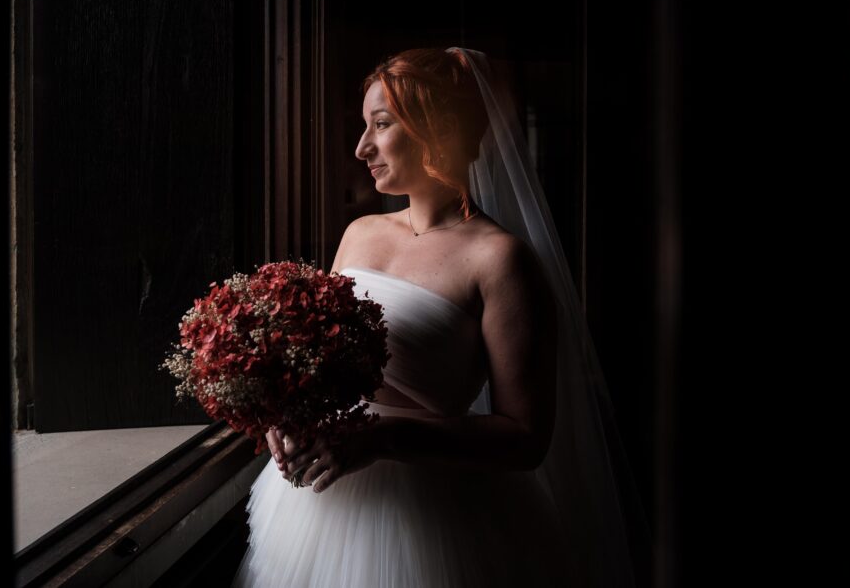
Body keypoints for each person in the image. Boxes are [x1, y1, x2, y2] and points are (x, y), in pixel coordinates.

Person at [230, 47, 649, 587]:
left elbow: (525, 437)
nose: (361, 148)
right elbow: (316, 365)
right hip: (318, 503)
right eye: (365, 126)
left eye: (381, 125)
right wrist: (282, 417)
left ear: (436, 127)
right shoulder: (360, 235)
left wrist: (379, 440)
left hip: (435, 517)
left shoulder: (500, 260)